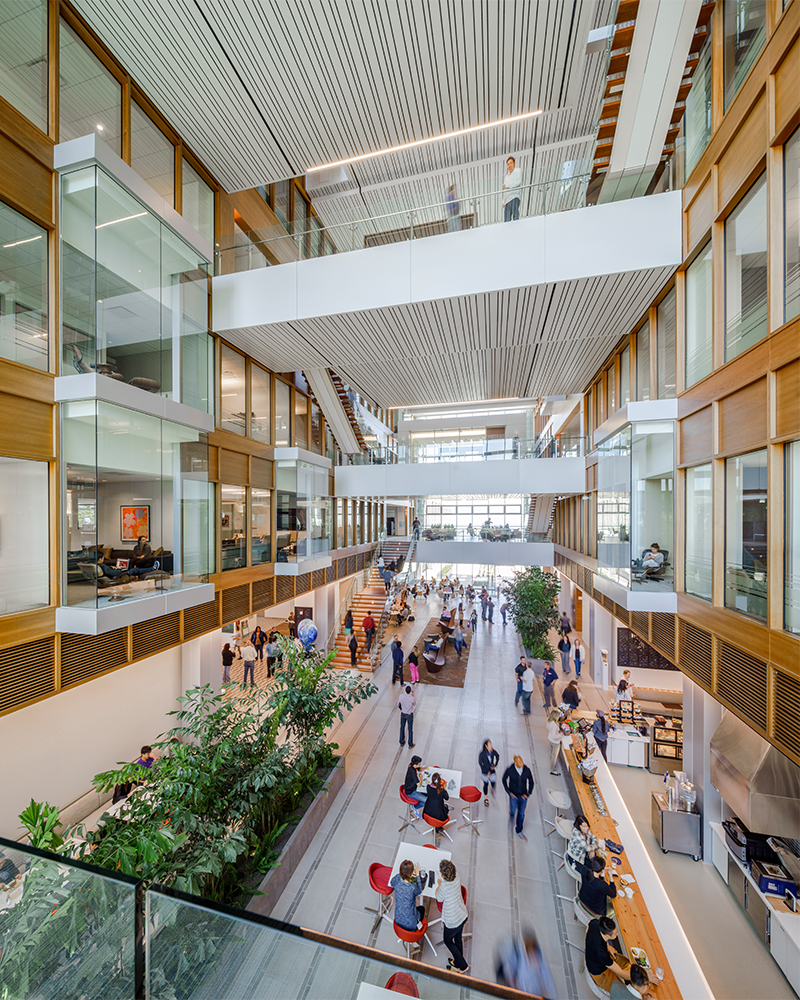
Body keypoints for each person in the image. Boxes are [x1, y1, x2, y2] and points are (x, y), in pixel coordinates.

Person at [496, 931, 557, 997]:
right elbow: (508, 972)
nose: (532, 951)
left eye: (532, 947)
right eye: (529, 947)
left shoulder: (540, 960)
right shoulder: (518, 957)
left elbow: (547, 980)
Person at [436, 859, 469, 973]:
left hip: (452, 921)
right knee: (458, 939)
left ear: (443, 875)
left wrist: (439, 884)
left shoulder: (444, 886)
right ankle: (458, 963)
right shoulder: (457, 876)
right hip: (462, 915)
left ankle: (463, 966)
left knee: (448, 941)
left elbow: (439, 897)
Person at [585, 916, 632, 993]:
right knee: (624, 992)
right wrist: (645, 977)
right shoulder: (602, 953)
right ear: (607, 936)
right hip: (600, 974)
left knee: (627, 963)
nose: (617, 934)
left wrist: (607, 947)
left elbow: (587, 932)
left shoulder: (594, 923)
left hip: (597, 958)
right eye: (615, 934)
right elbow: (621, 973)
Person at [502, 755, 533, 841]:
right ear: (515, 763)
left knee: (521, 813)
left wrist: (528, 794)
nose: (521, 764)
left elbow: (531, 782)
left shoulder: (527, 770)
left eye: (522, 762)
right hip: (514, 796)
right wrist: (509, 792)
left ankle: (519, 830)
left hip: (523, 796)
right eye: (519, 762)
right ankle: (511, 816)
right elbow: (504, 779)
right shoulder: (510, 770)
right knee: (513, 810)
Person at [390, 860, 425, 932]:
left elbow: (391, 883)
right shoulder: (412, 887)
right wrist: (418, 875)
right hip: (411, 924)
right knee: (422, 909)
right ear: (412, 873)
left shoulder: (397, 878)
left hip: (398, 920)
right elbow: (420, 890)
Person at [479, 738, 499, 806]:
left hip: (492, 771)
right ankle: (486, 797)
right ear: (486, 746)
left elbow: (497, 756)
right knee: (486, 784)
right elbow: (480, 763)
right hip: (485, 772)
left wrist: (495, 764)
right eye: (489, 745)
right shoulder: (482, 754)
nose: (491, 746)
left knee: (493, 782)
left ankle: (492, 790)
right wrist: (486, 771)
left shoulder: (493, 752)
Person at [502, 156, 522, 222]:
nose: (509, 165)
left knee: (515, 215)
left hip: (514, 196)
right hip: (507, 200)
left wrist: (508, 185)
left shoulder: (517, 171)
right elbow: (505, 190)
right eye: (508, 164)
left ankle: (516, 229)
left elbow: (518, 182)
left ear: (514, 163)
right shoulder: (507, 177)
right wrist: (503, 201)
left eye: (511, 163)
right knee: (506, 219)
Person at [546, 710, 563, 776]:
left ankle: (552, 761)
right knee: (554, 755)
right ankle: (553, 770)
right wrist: (560, 734)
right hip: (555, 741)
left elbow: (547, 727)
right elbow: (554, 736)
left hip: (550, 738)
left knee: (552, 752)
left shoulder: (548, 719)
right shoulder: (554, 725)